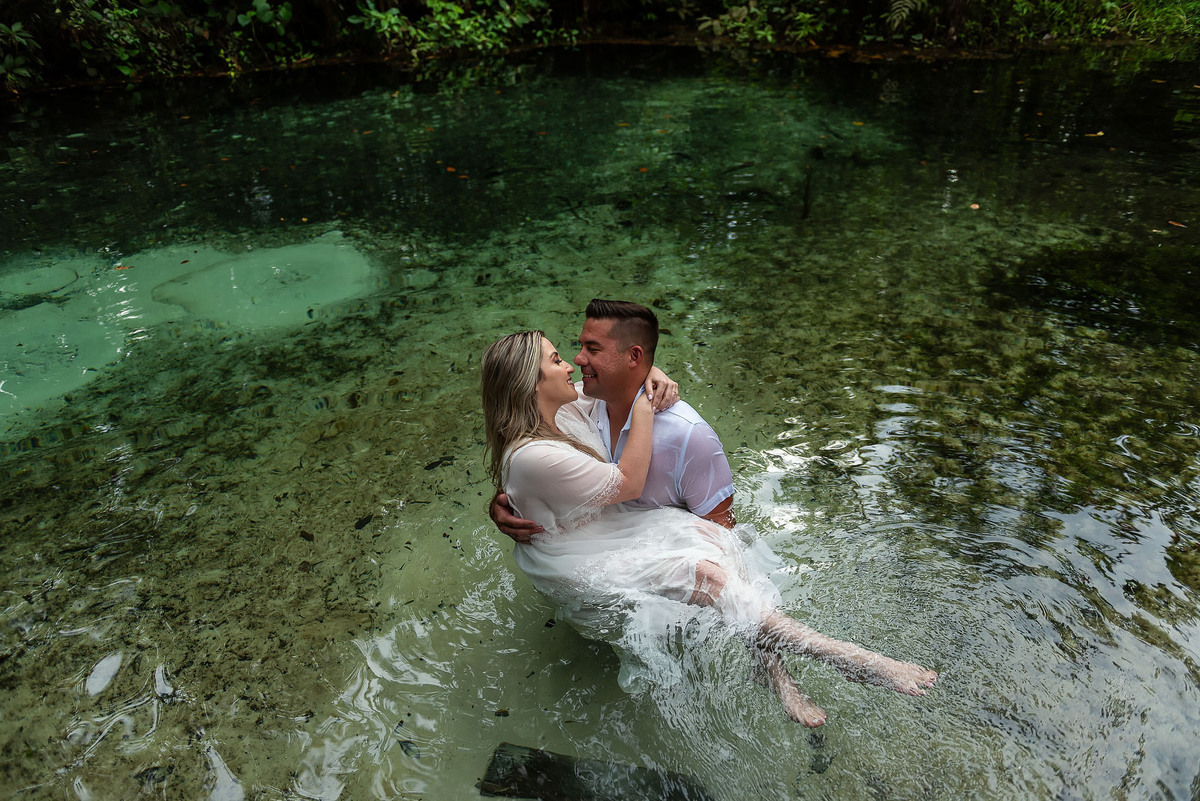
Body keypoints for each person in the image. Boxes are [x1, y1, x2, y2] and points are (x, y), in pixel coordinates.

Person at [480, 329, 938, 726]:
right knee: (709, 579)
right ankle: (857, 661)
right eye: (557, 360)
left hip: (605, 529)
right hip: (578, 558)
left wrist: (650, 372)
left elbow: (620, 377)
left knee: (711, 537)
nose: (571, 365)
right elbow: (627, 481)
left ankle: (772, 669)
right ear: (530, 383)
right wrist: (642, 405)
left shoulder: (559, 409)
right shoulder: (535, 453)